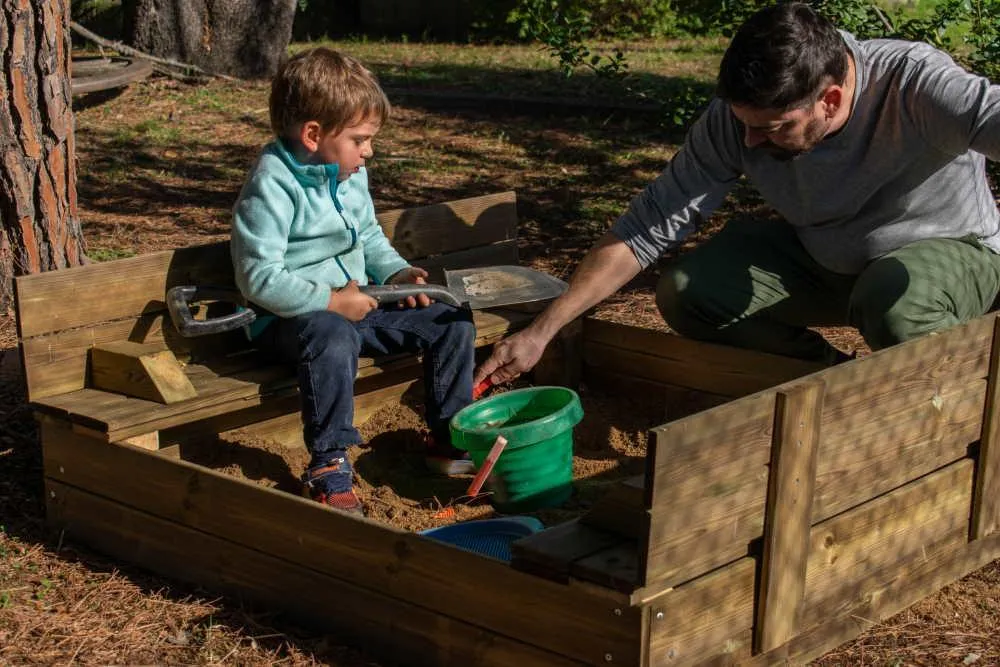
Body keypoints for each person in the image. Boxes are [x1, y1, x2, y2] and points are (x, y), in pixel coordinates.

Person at [476, 1, 1000, 387]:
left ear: (831, 99)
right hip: (834, 265)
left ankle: (954, 407)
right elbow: (646, 227)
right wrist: (542, 331)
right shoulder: (738, 121)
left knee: (894, 302)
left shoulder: (916, 86)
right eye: (742, 123)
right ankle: (835, 386)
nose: (749, 141)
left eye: (772, 128)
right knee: (688, 290)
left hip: (952, 261)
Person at [231, 48, 476, 516]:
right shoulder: (272, 183)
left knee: (450, 318)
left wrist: (396, 272)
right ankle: (329, 463)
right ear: (313, 134)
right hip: (288, 322)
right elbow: (258, 278)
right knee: (332, 333)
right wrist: (328, 302)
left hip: (355, 307)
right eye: (361, 140)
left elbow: (368, 236)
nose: (369, 152)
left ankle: (449, 437)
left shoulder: (347, 174)